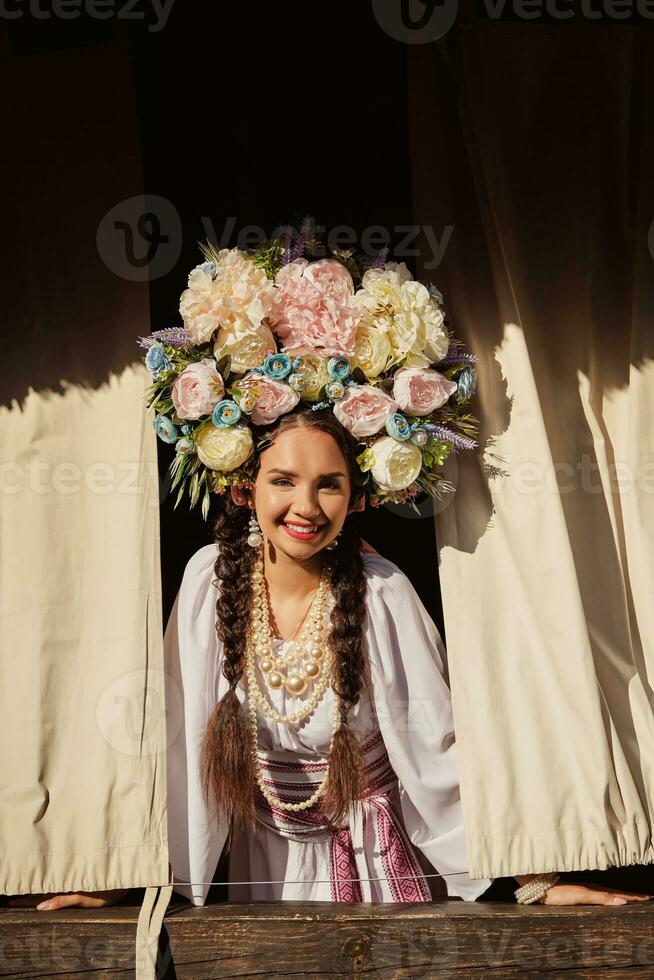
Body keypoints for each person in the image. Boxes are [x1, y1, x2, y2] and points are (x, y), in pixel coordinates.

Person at [8, 408, 651, 911]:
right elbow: (172, 747)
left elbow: (441, 748)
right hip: (262, 862)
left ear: (358, 496)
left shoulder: (382, 593)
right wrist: (124, 872)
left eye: (329, 485)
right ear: (243, 487)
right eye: (283, 480)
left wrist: (534, 876)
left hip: (374, 859)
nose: (307, 507)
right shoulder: (209, 579)